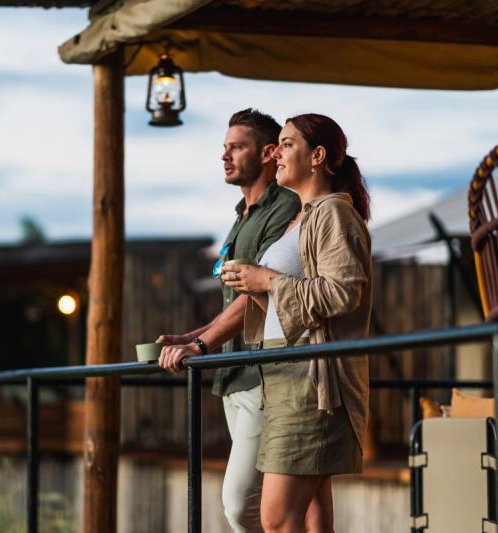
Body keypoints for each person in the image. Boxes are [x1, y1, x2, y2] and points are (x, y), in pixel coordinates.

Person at [221, 113, 372, 533]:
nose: (277, 152)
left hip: (312, 382)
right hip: (286, 376)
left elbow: (343, 293)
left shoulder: (333, 215)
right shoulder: (301, 219)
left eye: (287, 145)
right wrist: (253, 287)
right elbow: (293, 306)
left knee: (275, 518)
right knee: (309, 513)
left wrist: (266, 279)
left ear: (317, 156)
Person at [157, 108, 300, 532]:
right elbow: (235, 301)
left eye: (237, 147)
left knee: (241, 506)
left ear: (268, 153)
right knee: (263, 510)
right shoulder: (243, 215)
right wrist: (193, 335)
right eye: (224, 148)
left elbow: (260, 293)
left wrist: (201, 347)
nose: (225, 156)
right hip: (232, 375)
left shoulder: (286, 206)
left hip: (265, 373)